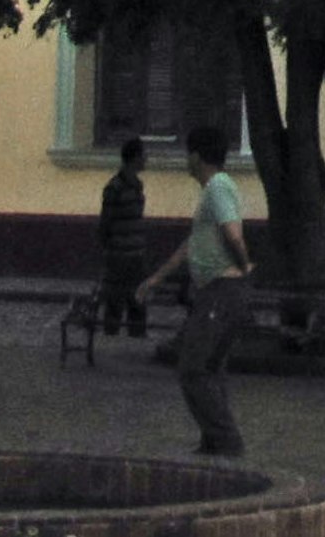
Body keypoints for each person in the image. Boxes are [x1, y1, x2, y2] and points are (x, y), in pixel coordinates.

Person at [131, 126, 254, 458]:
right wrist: (157, 278)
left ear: (198, 156)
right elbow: (191, 245)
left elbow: (233, 233)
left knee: (193, 367)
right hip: (214, 290)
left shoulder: (218, 187)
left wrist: (244, 265)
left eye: (188, 153)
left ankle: (226, 440)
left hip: (222, 290)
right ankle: (214, 442)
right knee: (210, 367)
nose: (186, 160)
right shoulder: (211, 193)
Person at [96, 138, 152, 338]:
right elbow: (105, 222)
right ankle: (111, 339)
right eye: (144, 154)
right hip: (119, 255)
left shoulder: (137, 186)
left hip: (136, 254)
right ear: (134, 158)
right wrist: (107, 250)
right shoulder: (115, 188)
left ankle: (136, 337)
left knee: (138, 300)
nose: (147, 158)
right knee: (115, 301)